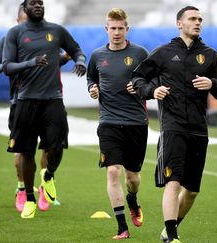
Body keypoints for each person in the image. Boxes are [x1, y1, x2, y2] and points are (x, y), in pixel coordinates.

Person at [132, 6, 217, 243]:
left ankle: (169, 230)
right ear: (179, 23)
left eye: (200, 19)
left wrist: (213, 84)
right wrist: (152, 91)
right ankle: (172, 236)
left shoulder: (210, 55)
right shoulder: (164, 53)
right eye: (192, 19)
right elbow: (137, 79)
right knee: (173, 182)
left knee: (192, 191)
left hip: (198, 129)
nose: (197, 23)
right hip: (172, 127)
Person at [0, 4, 71, 213]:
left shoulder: (47, 36)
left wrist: (64, 58)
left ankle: (43, 186)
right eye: (24, 22)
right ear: (18, 22)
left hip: (47, 99)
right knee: (22, 152)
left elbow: (50, 62)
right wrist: (4, 60)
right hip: (20, 101)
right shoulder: (10, 37)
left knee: (49, 147)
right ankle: (22, 188)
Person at [2, 0, 86, 219]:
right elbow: (7, 66)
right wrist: (30, 63)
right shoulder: (15, 33)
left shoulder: (56, 30)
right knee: (27, 152)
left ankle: (47, 176)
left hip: (53, 99)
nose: (38, 5)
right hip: (25, 100)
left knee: (57, 148)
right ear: (25, 9)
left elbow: (77, 50)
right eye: (33, 3)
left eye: (40, 2)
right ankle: (29, 198)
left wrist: (81, 61)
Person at [87, 8, 148, 240]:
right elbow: (91, 77)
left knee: (132, 177)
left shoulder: (140, 53)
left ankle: (133, 199)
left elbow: (153, 79)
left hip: (136, 123)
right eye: (112, 28)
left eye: (120, 28)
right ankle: (122, 227)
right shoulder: (97, 56)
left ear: (127, 29)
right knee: (113, 171)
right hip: (109, 122)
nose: (116, 32)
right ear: (106, 29)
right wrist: (92, 89)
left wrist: (140, 86)